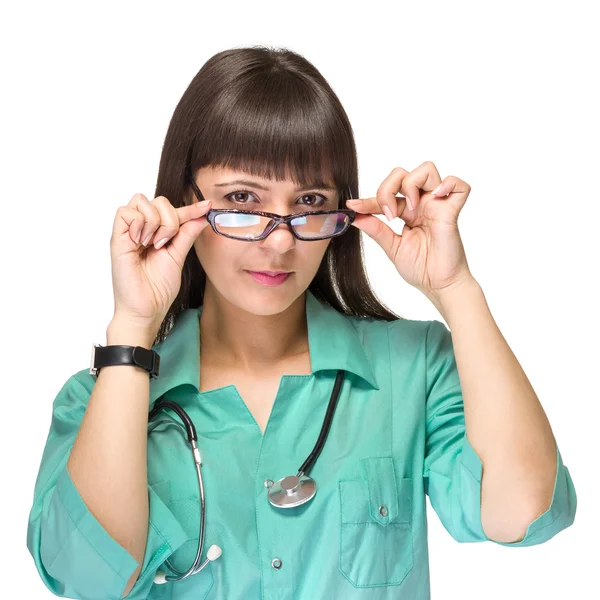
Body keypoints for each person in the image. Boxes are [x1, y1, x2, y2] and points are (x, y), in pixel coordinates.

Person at [26, 45, 577, 600]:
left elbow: (525, 514)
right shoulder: (102, 401)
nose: (283, 239)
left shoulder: (414, 369)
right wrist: (133, 327)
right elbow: (87, 578)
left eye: (309, 201)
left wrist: (456, 288)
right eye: (242, 198)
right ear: (181, 202)